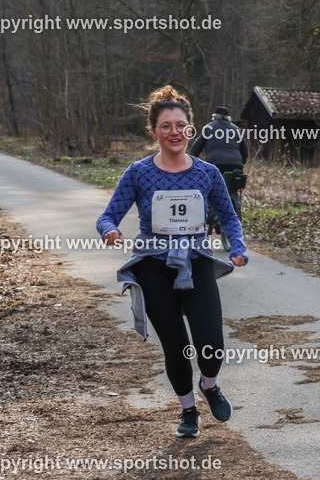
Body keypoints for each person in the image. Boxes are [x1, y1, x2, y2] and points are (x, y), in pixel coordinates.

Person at [97, 86, 248, 438]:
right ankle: (188, 411)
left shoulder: (208, 173)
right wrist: (110, 232)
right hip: (153, 267)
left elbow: (229, 217)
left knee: (211, 342)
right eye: (166, 126)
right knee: (176, 346)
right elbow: (108, 217)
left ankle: (209, 385)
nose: (175, 132)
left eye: (181, 125)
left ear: (190, 129)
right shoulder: (138, 172)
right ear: (154, 131)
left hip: (195, 262)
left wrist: (238, 245)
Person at [189, 106, 248, 229]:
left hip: (216, 164)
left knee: (211, 188)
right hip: (236, 165)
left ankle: (213, 214)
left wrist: (191, 161)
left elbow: (195, 148)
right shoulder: (236, 129)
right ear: (228, 118)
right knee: (232, 188)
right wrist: (242, 162)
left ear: (215, 117)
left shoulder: (209, 128)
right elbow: (245, 149)